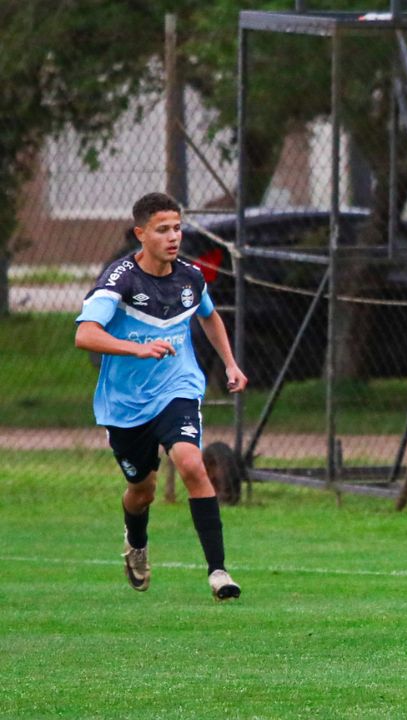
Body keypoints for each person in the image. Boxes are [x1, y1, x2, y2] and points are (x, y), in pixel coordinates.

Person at [74, 192, 248, 601]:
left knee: (191, 463)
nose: (173, 237)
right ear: (141, 234)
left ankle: (218, 571)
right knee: (142, 491)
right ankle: (136, 543)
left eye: (177, 228)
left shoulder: (190, 276)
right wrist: (137, 347)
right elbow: (85, 334)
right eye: (163, 229)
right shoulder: (120, 280)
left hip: (178, 388)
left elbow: (209, 316)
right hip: (126, 404)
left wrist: (230, 364)